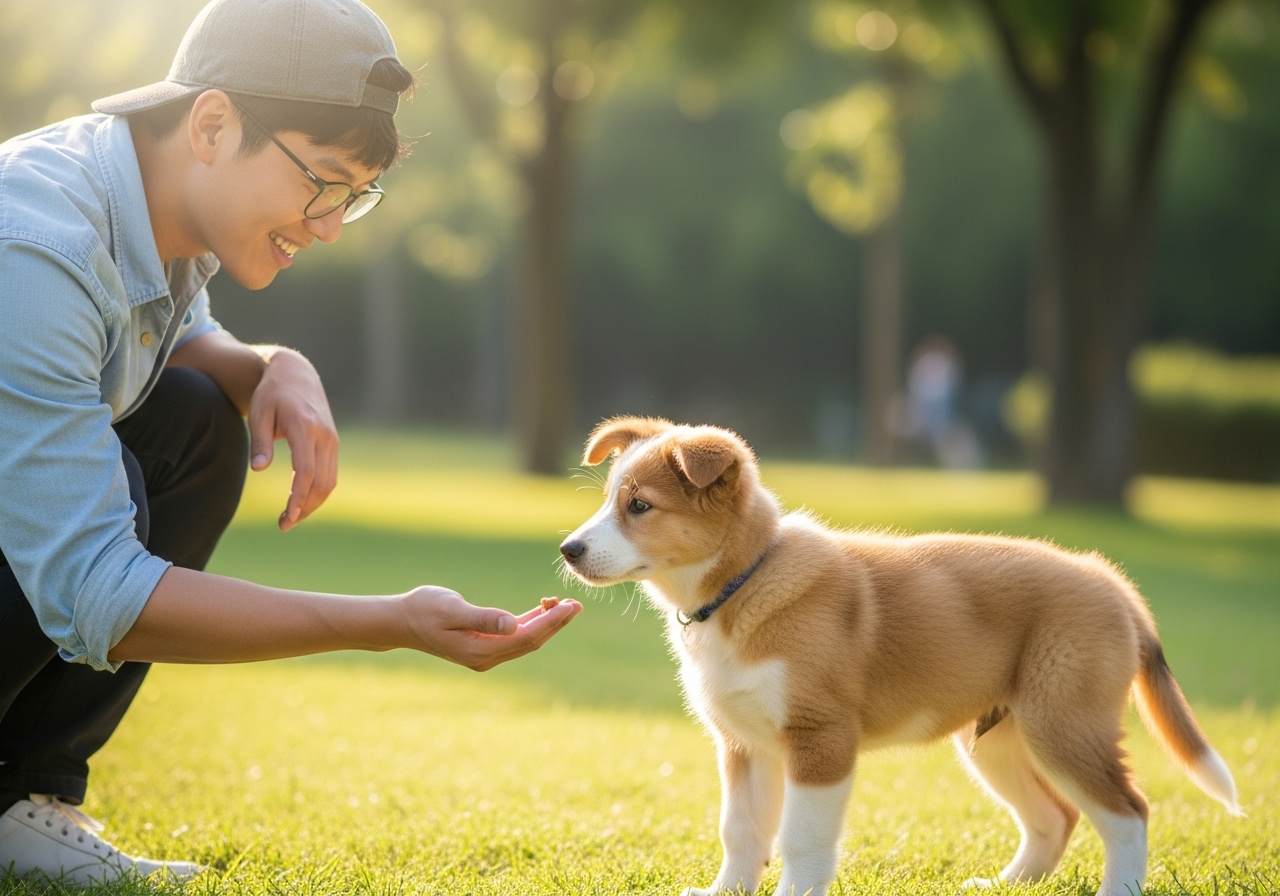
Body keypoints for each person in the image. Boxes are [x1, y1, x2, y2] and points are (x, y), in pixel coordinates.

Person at [0, 0, 582, 884]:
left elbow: (176, 333)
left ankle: (18, 803)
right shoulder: (38, 247)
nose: (330, 223)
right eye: (322, 180)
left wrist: (271, 363)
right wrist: (385, 623)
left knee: (197, 419)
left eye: (355, 194)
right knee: (137, 459)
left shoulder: (151, 206)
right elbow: (96, 593)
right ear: (212, 123)